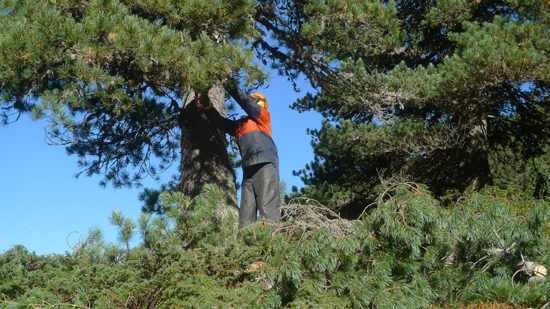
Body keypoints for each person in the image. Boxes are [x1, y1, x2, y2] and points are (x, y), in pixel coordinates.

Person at [200, 81, 281, 229]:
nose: (250, 100)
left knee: (268, 208)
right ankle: (245, 249)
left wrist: (226, 82)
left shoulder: (263, 116)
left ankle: (275, 246)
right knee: (245, 215)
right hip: (248, 170)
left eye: (253, 99)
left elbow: (245, 102)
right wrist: (207, 104)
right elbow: (219, 122)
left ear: (260, 103)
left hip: (265, 164)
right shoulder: (240, 126)